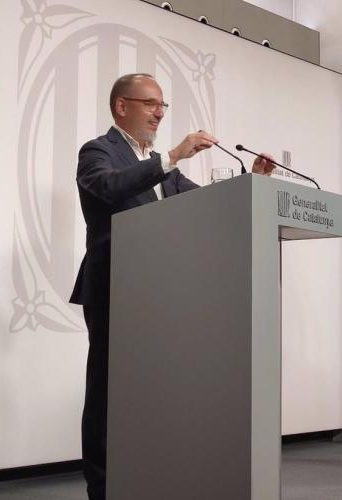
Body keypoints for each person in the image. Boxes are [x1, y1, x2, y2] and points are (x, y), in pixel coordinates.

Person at [69, 73, 275, 500]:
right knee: (108, 389)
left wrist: (252, 182)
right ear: (121, 106)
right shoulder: (98, 151)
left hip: (161, 289)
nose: (160, 113)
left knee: (155, 388)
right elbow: (108, 188)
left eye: (163, 105)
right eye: (151, 104)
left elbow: (207, 201)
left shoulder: (161, 167)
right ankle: (103, 488)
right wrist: (174, 155)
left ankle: (146, 476)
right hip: (115, 284)